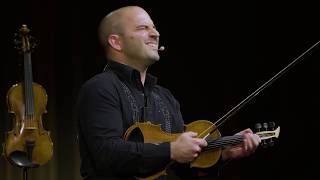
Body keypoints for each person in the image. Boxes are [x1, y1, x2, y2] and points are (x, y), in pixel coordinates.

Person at [76, 5, 261, 180]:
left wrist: (224, 154)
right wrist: (171, 150)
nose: (155, 34)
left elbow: (182, 168)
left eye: (155, 28)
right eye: (143, 28)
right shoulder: (100, 88)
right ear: (116, 42)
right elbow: (106, 153)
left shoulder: (165, 97)